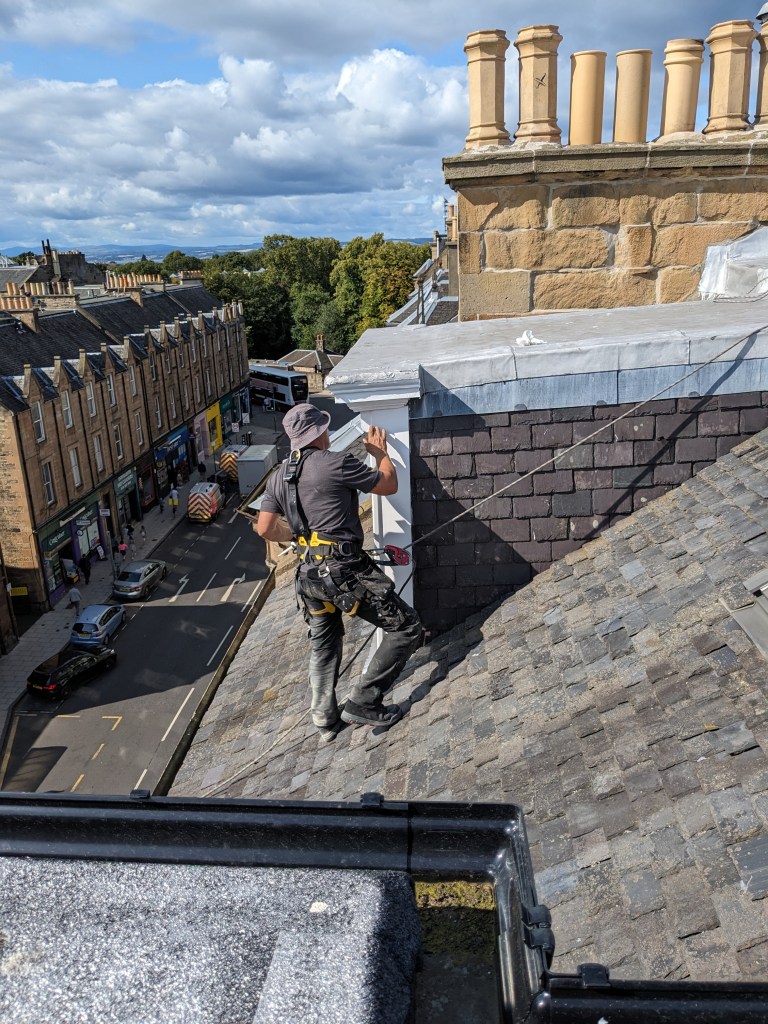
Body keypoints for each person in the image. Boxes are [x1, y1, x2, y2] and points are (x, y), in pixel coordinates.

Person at [257, 403, 421, 743]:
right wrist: (381, 454)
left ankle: (324, 717)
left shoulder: (279, 476)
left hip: (309, 578)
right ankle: (364, 700)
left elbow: (265, 528)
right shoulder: (336, 463)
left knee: (324, 644)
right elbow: (388, 485)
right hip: (344, 572)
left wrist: (300, 538)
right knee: (406, 627)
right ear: (320, 433)